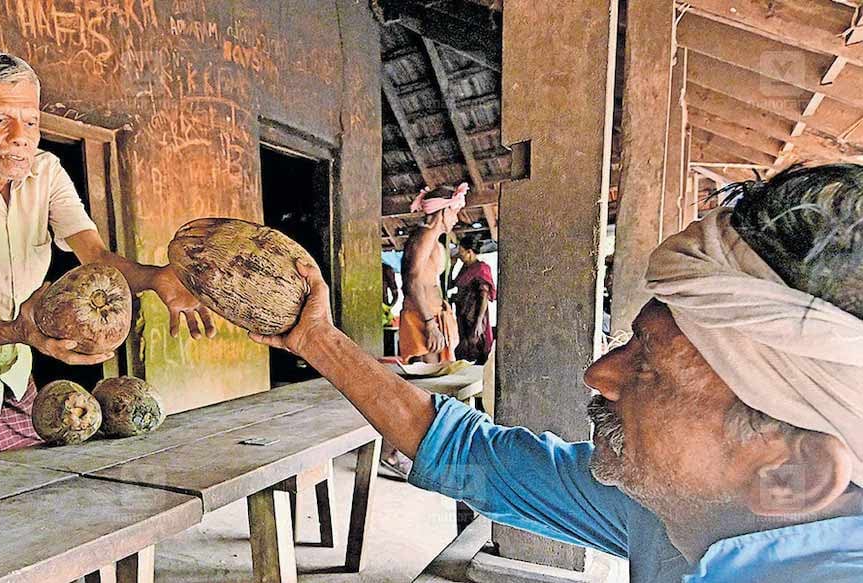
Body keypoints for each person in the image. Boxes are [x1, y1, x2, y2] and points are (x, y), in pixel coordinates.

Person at [251, 164, 863, 582]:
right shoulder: (677, 508)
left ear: (792, 473)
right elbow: (476, 456)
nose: (599, 374)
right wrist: (316, 340)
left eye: (648, 368)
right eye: (630, 344)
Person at [0, 51, 215, 464]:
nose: (22, 136)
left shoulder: (47, 173)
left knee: (26, 494)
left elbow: (95, 256)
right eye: (2, 119)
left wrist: (155, 278)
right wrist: (24, 333)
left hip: (12, 374)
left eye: (33, 121)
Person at [398, 183, 464, 364]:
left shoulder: (433, 240)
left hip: (432, 316)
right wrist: (429, 324)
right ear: (443, 211)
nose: (456, 219)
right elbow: (412, 281)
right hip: (422, 318)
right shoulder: (425, 235)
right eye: (454, 212)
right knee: (430, 383)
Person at [453, 235, 496, 364]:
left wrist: (478, 323)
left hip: (475, 317)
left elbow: (484, 297)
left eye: (461, 252)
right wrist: (451, 267)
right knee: (464, 351)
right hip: (463, 315)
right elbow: (451, 284)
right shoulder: (465, 268)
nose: (459, 255)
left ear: (469, 252)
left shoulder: (481, 268)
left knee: (476, 348)